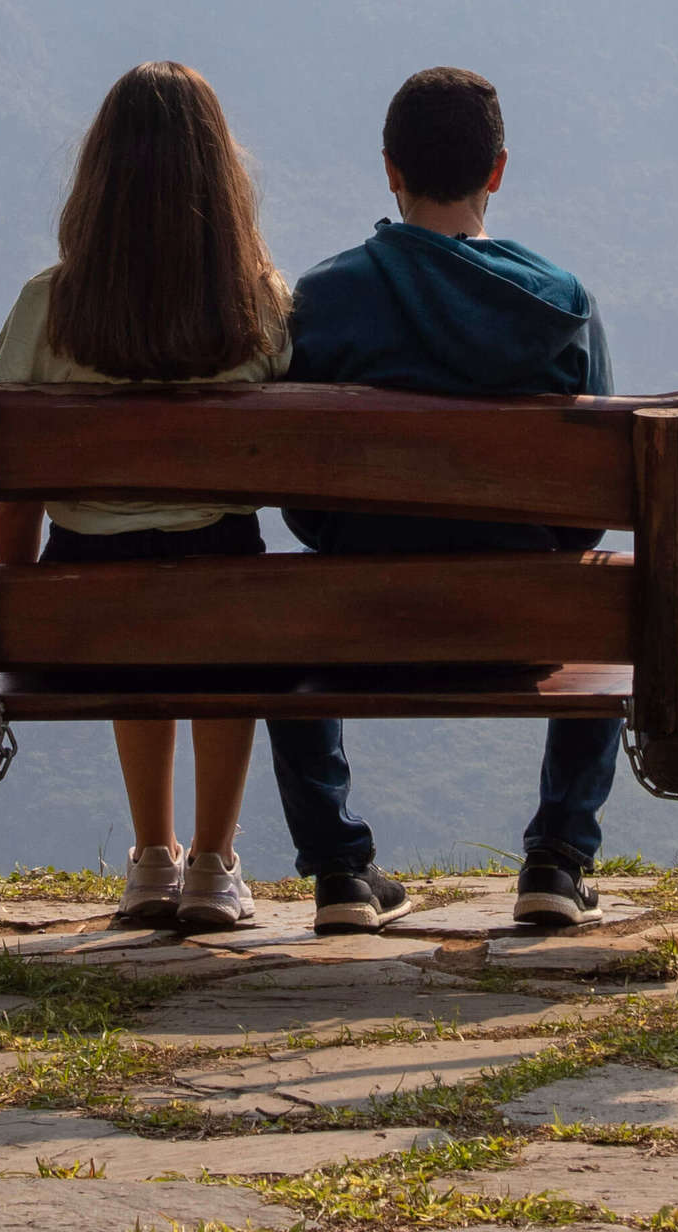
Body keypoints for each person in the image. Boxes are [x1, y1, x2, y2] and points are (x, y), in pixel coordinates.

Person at [267, 65, 622, 935]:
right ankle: (557, 860)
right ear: (497, 170)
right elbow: (593, 509)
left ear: (390, 168)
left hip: (354, 622)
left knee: (268, 609)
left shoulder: (323, 300)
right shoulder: (563, 306)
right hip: (523, 622)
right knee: (612, 595)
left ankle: (343, 874)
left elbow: (293, 499)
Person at [0, 60, 292, 934]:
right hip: (225, 585)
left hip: (86, 607)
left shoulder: (48, 307)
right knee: (214, 608)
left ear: (99, 178)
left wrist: (21, 587)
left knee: (128, 595)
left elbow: (11, 490)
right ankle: (214, 862)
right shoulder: (261, 306)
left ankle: (152, 856)